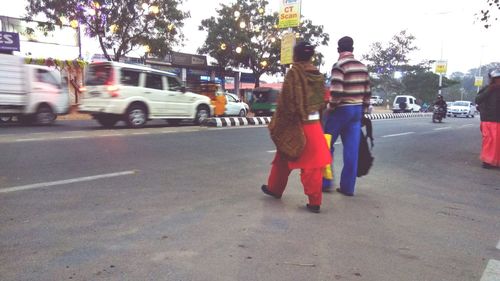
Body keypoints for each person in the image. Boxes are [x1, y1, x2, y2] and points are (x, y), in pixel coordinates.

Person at [261, 41, 331, 213]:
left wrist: (278, 124)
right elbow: (323, 101)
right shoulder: (318, 75)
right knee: (311, 165)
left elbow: (286, 102)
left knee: (285, 155)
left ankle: (276, 189)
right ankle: (312, 200)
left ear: (296, 55)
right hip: (314, 125)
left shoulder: (293, 73)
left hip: (296, 125)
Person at [323, 36, 371, 196]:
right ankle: (348, 187)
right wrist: (362, 110)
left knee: (326, 145)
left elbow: (336, 92)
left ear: (338, 49)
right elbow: (367, 94)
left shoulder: (339, 66)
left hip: (341, 110)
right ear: (352, 49)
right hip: (356, 111)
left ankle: (326, 182)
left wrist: (330, 108)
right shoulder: (363, 67)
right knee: (352, 151)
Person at [475, 69, 500, 169]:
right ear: (492, 79)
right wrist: (490, 89)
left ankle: (497, 162)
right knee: (489, 141)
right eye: (496, 79)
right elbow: (477, 99)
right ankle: (487, 161)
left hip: (498, 119)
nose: (498, 80)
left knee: (497, 142)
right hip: (488, 120)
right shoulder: (487, 89)